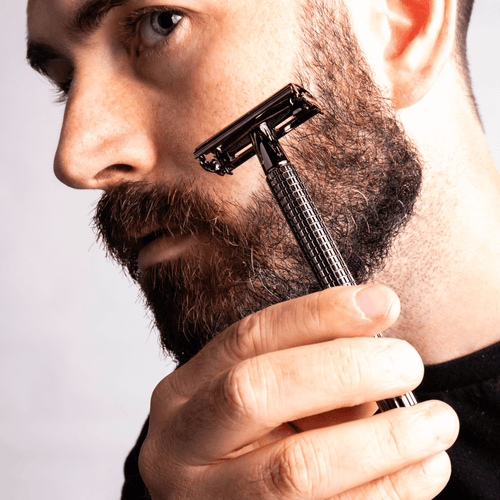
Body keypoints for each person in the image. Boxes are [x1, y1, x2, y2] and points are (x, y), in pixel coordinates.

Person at [25, 0, 500, 497]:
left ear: (406, 26)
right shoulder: (213, 463)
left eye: (160, 24)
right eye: (65, 82)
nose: (75, 159)